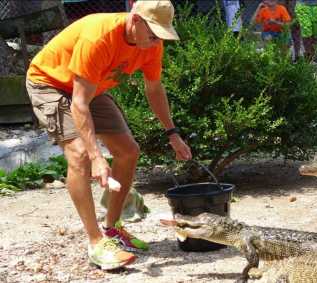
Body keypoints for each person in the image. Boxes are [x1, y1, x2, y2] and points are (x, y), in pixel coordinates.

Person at [25, 0, 192, 270]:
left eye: (161, 35)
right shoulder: (99, 37)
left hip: (90, 87)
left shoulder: (151, 44)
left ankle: (112, 229)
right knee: (79, 155)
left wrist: (172, 133)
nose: (155, 42)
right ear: (136, 20)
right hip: (51, 83)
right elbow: (79, 103)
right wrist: (96, 156)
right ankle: (95, 243)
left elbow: (154, 89)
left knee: (128, 151)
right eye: (152, 34)